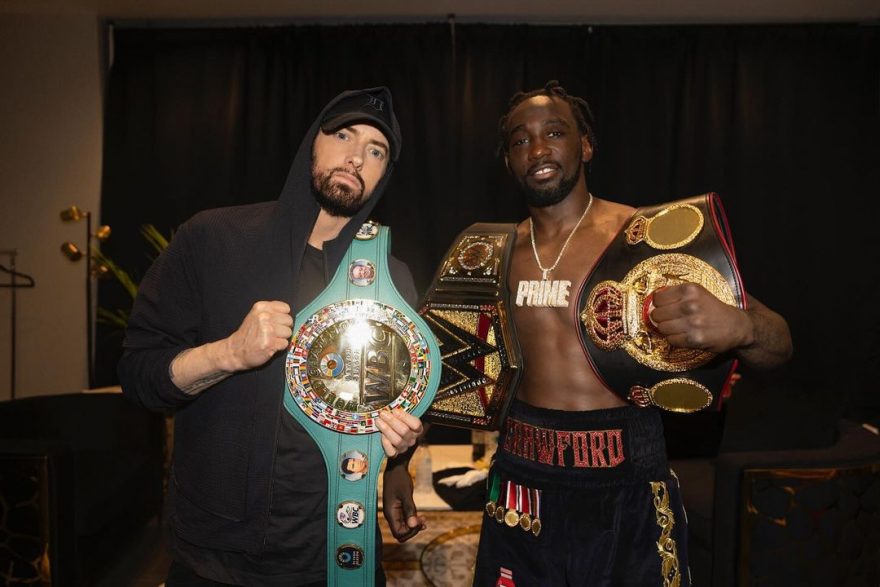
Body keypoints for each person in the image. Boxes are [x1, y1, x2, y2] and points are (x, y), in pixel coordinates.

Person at [471, 81, 792, 586]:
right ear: (508, 160)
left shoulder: (640, 239)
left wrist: (745, 328)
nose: (537, 149)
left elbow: (782, 344)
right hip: (521, 479)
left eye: (555, 132)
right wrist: (400, 463)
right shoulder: (487, 255)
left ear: (586, 145)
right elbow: (443, 367)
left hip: (627, 478)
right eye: (519, 140)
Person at [118, 87, 427, 586]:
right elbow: (138, 376)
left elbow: (399, 409)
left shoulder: (391, 279)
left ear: (384, 174)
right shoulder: (213, 238)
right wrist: (229, 353)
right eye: (343, 134)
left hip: (338, 555)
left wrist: (401, 448)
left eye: (376, 150)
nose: (356, 156)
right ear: (313, 143)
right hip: (215, 560)